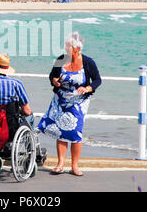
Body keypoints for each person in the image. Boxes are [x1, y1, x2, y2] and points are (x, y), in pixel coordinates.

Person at [37, 32, 101, 176]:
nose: (66, 48)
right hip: (61, 100)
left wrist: (88, 88)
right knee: (61, 130)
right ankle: (60, 164)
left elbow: (97, 80)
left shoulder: (88, 62)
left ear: (77, 48)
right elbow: (52, 75)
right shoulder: (61, 59)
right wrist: (54, 81)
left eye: (68, 45)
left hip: (79, 101)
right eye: (66, 45)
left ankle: (75, 166)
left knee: (76, 132)